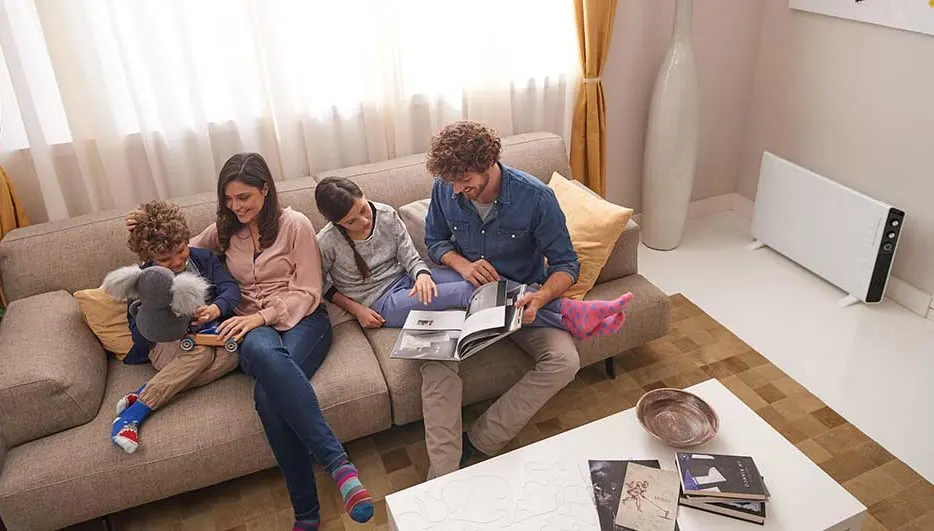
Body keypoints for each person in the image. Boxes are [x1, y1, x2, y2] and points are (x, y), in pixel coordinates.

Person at [126, 154, 373, 529]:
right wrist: (144, 225)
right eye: (228, 199)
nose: (235, 206)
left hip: (304, 318)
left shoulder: (296, 225)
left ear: (265, 189)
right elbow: (175, 253)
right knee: (259, 355)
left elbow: (309, 291)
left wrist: (261, 316)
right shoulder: (224, 230)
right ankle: (338, 471)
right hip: (251, 328)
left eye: (244, 197)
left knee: (267, 397)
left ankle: (316, 498)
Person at [421, 120, 625, 479]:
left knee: (564, 361)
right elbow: (436, 242)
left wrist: (542, 297)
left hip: (522, 302)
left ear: (488, 163)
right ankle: (443, 476)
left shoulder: (536, 198)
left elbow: (566, 264)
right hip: (466, 298)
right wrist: (462, 264)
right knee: (434, 361)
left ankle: (481, 441)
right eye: (451, 182)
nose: (457, 189)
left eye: (464, 180)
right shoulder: (445, 188)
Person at [314, 176, 632, 337]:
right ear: (335, 223)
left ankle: (564, 310)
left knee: (483, 279)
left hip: (407, 280)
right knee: (471, 291)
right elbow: (322, 285)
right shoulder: (326, 242)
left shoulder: (382, 213)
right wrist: (356, 309)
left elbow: (409, 253)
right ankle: (572, 315)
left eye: (362, 209)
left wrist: (422, 274)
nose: (364, 220)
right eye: (352, 221)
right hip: (379, 303)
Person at [111, 200, 241, 454]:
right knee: (201, 354)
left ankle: (143, 393)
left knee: (235, 353)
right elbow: (140, 335)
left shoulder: (204, 259)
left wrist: (216, 309)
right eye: (164, 259)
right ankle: (132, 416)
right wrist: (165, 322)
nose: (176, 262)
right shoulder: (143, 282)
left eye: (181, 250)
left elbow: (230, 288)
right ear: (147, 257)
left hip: (210, 336)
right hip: (166, 347)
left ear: (187, 239)